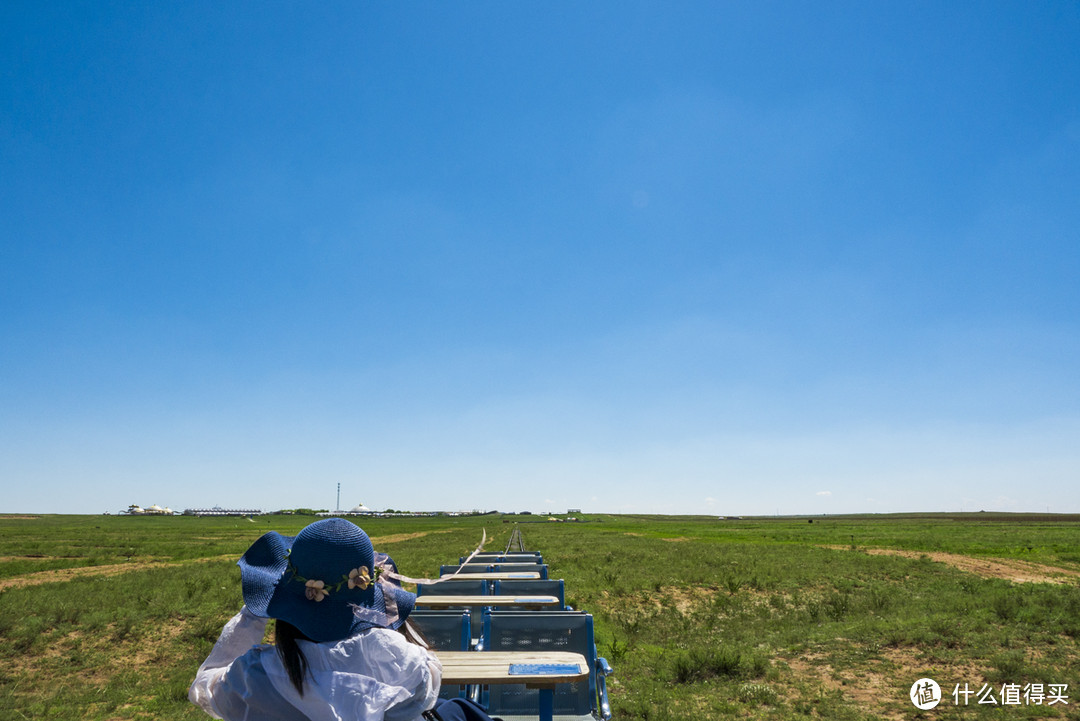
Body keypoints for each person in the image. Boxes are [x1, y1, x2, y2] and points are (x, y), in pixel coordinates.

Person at [189, 518, 494, 721]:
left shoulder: (253, 677)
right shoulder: (406, 663)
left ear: (284, 601)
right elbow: (426, 686)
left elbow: (204, 687)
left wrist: (253, 613)